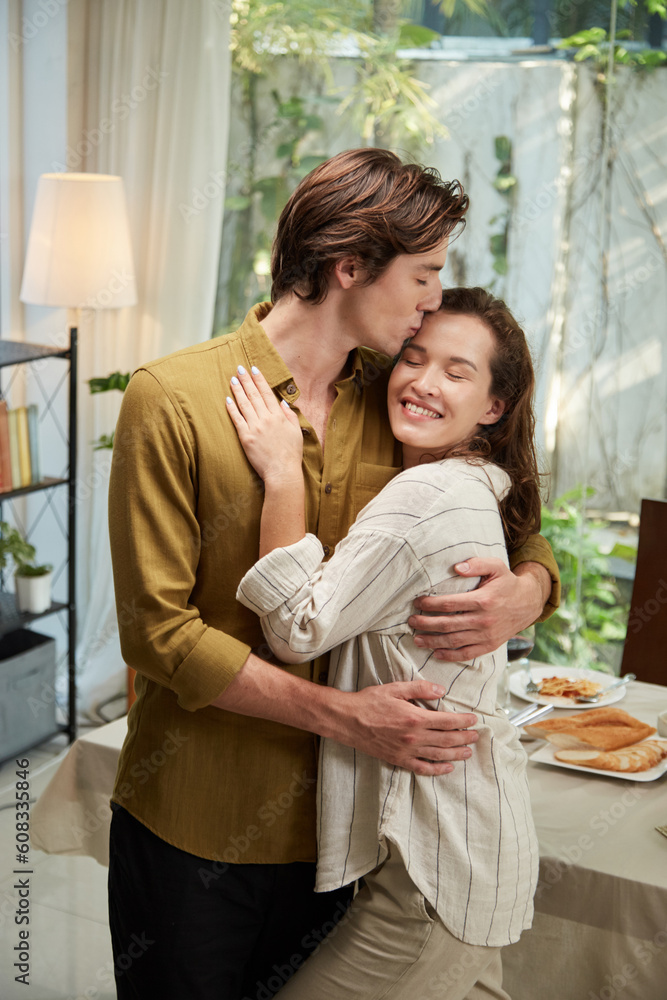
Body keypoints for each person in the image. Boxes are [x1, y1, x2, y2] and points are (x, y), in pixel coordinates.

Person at [107, 149, 559, 1000]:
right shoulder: (171, 399)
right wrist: (345, 718)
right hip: (196, 822)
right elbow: (157, 634)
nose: (433, 299)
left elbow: (514, 517)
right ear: (350, 267)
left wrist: (526, 589)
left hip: (341, 833)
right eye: (424, 275)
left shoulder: (397, 396)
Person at [232, 286, 541, 999]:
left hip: (434, 879)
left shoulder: (426, 496)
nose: (423, 382)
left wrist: (282, 473)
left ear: (493, 406)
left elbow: (294, 628)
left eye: (457, 371)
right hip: (466, 858)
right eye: (413, 356)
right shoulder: (469, 486)